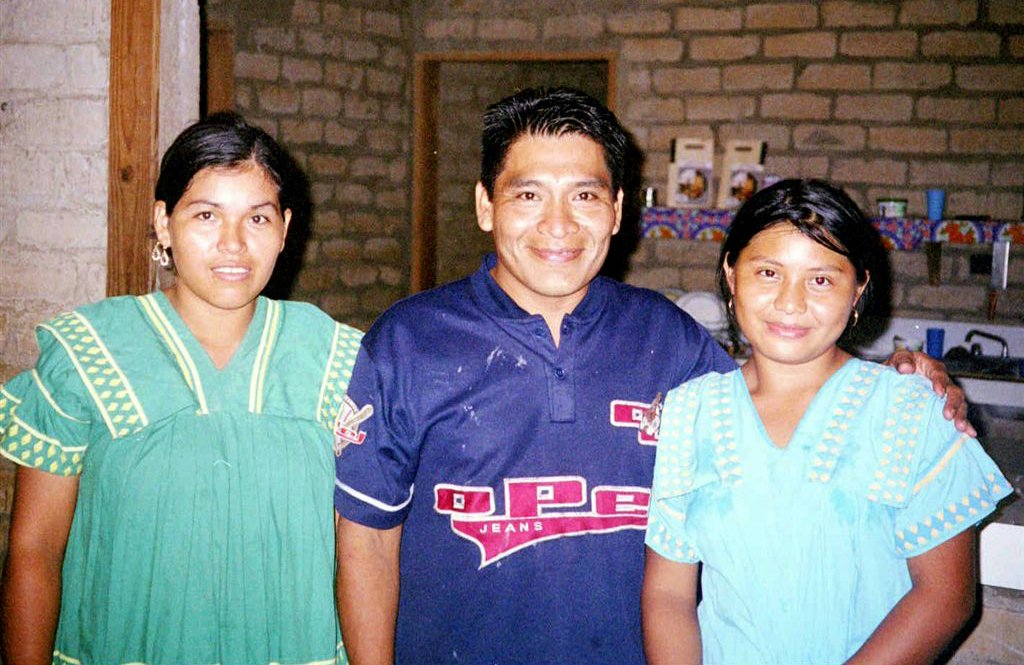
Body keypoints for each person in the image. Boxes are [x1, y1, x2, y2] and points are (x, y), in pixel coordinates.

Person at [333, 89, 970, 665]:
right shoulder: (409, 341)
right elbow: (366, 541)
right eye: (529, 195)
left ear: (616, 211)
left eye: (585, 196)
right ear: (484, 205)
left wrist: (903, 381)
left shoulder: (668, 339)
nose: (559, 224)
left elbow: (780, 391)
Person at [0, 113, 361, 665]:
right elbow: (34, 550)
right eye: (206, 215)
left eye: (257, 218)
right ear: (163, 223)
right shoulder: (87, 354)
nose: (233, 244)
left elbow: (361, 555)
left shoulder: (336, 359)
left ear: (285, 229)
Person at [642, 179, 1011, 665]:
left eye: (820, 280)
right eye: (768, 272)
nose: (790, 303)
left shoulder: (912, 410)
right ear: (732, 274)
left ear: (858, 288)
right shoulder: (689, 412)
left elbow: (945, 597)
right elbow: (668, 595)